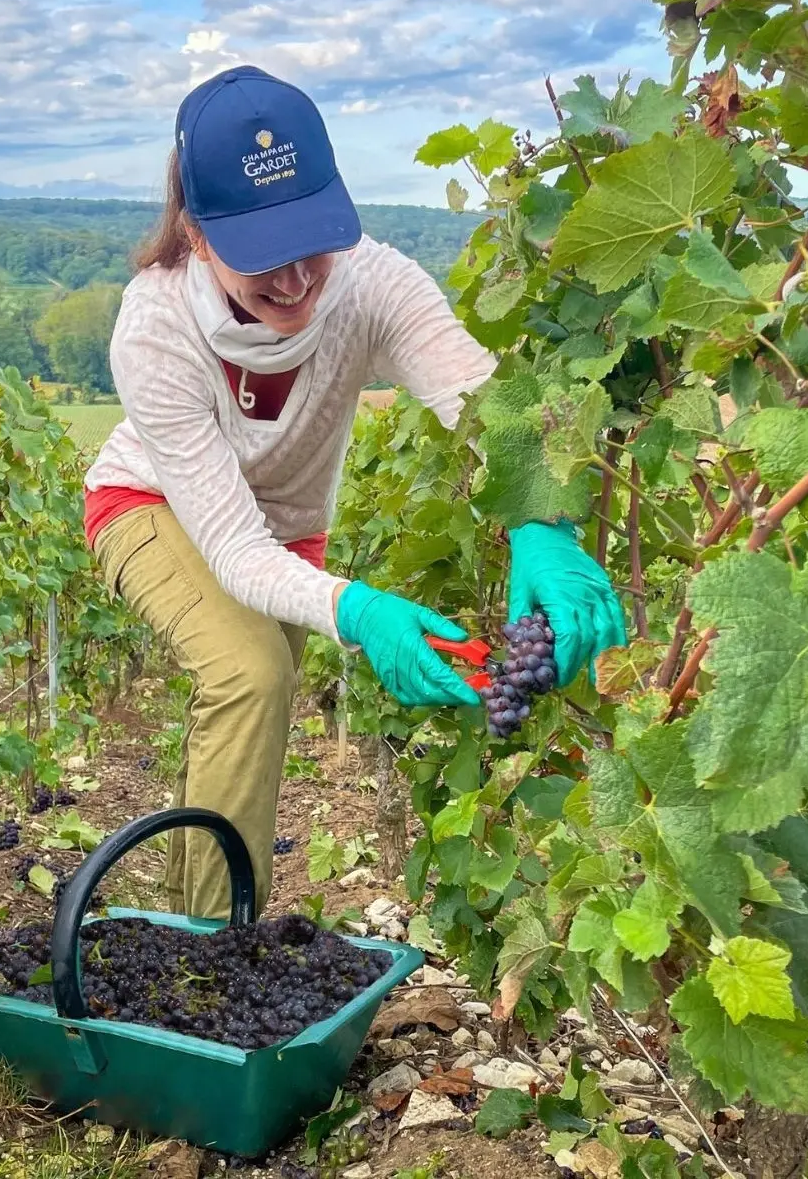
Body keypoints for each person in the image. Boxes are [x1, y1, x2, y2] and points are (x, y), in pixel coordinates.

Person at [84, 64, 625, 920]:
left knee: (251, 717)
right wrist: (363, 613)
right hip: (150, 504)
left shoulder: (374, 282)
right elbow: (229, 547)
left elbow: (486, 407)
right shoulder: (154, 328)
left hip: (286, 532)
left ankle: (182, 921)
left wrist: (541, 521)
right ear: (195, 228)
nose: (298, 278)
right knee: (250, 675)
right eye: (266, 254)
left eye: (314, 240)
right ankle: (211, 952)